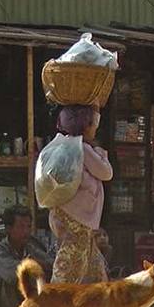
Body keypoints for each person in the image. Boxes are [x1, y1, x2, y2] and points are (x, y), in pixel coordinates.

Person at [49, 105, 112, 284]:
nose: (95, 128)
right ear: (84, 125)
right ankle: (53, 302)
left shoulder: (60, 144)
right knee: (70, 264)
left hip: (62, 212)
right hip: (78, 217)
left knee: (92, 263)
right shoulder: (82, 148)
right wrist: (101, 154)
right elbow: (106, 173)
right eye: (92, 124)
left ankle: (101, 303)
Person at [0, 206, 53, 307]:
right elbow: (12, 275)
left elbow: (51, 264)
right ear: (9, 229)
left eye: (28, 227)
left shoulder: (30, 246)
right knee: (22, 275)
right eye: (21, 227)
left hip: (23, 304)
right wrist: (32, 264)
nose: (26, 231)